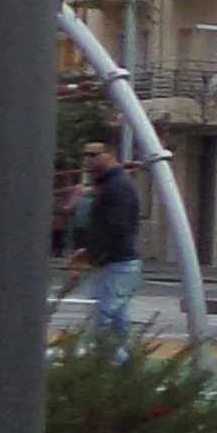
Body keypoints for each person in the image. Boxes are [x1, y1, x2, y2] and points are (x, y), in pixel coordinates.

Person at [62, 140, 143, 342]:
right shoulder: (109, 184)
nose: (88, 160)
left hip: (117, 262)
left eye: (93, 155)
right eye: (86, 155)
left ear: (110, 155)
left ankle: (108, 356)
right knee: (115, 319)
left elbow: (116, 227)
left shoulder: (117, 187)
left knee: (104, 318)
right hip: (114, 261)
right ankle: (117, 356)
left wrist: (93, 252)